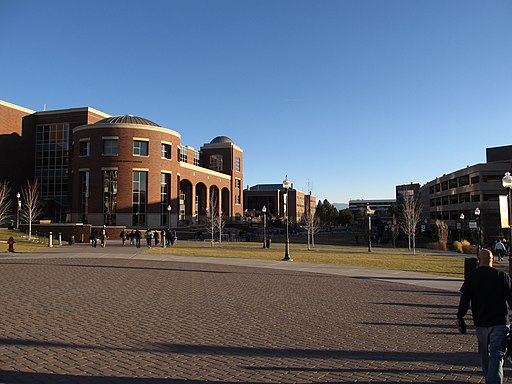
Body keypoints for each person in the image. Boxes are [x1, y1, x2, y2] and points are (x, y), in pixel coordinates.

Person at [456, 248, 512, 383]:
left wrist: (460, 316)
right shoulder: (501, 276)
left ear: (478, 260)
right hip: (499, 322)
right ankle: (492, 380)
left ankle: (490, 379)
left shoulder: (472, 277)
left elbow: (465, 299)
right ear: (492, 260)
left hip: (481, 322)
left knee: (485, 355)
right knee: (497, 355)